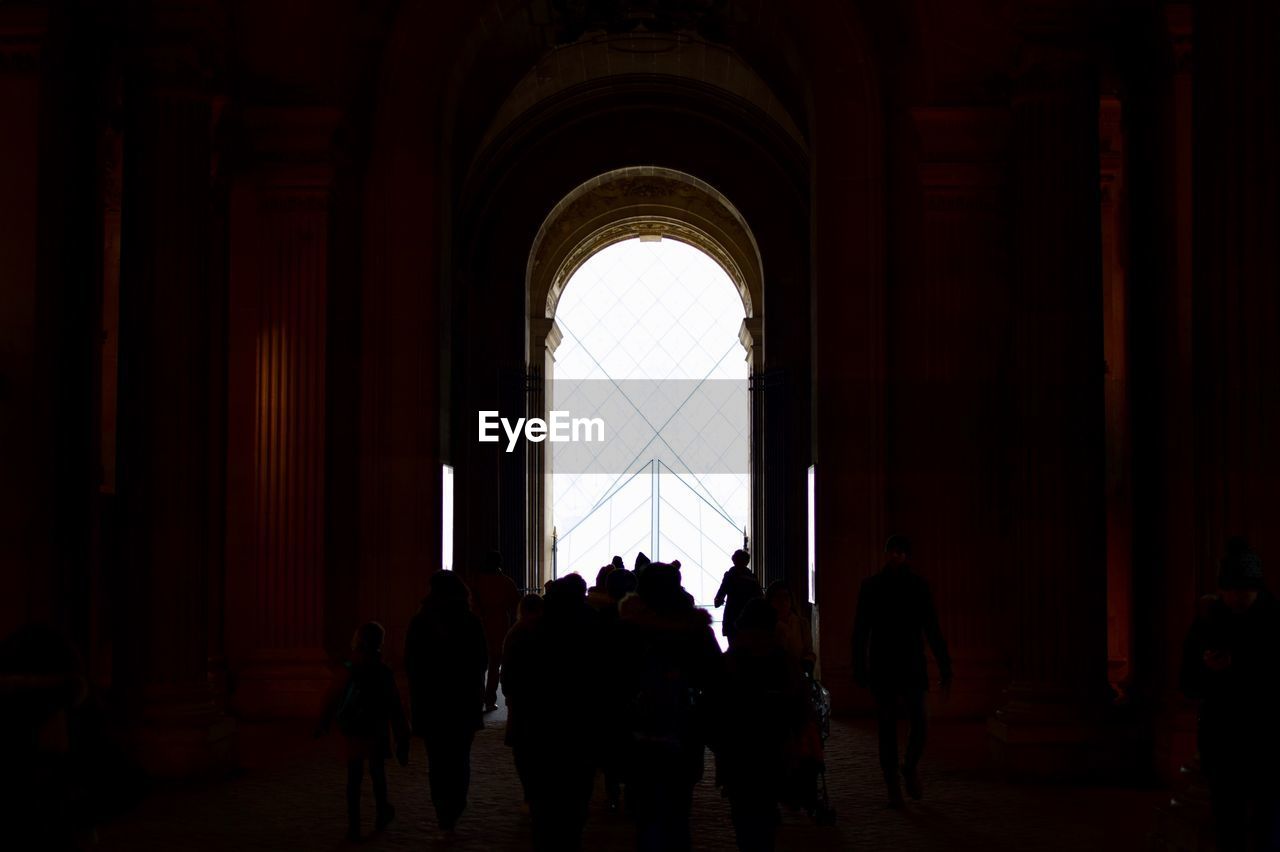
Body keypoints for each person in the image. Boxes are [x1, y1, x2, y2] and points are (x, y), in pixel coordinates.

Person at [1179, 538, 1280, 852]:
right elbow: (1188, 682)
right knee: (1228, 823)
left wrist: (1238, 665)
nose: (1236, 598)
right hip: (1223, 739)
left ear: (1257, 590)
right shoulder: (1208, 621)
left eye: (1243, 591)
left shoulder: (1274, 621)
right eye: (1230, 590)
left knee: (1267, 822)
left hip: (1267, 738)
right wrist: (1209, 671)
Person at [618, 560, 723, 852]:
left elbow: (613, 680)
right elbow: (715, 678)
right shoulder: (696, 630)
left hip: (638, 733)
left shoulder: (628, 630)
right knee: (677, 813)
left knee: (645, 814)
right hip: (684, 731)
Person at [503, 574, 603, 852]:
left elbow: (510, 680)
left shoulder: (528, 632)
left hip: (537, 728)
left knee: (543, 805)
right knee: (575, 801)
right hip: (580, 730)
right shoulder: (594, 630)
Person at [851, 535, 952, 807]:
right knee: (894, 724)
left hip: (894, 662)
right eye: (892, 551)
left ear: (905, 555)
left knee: (910, 722)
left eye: (899, 552)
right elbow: (861, 630)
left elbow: (862, 631)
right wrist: (944, 664)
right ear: (888, 554)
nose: (895, 556)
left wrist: (859, 665)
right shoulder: (909, 587)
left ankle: (901, 773)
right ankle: (898, 776)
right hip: (900, 663)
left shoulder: (877, 587)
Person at [706, 598, 808, 852]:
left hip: (737, 750)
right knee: (765, 810)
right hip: (774, 746)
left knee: (743, 814)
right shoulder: (784, 661)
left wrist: (719, 743)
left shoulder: (730, 661)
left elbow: (712, 709)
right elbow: (800, 707)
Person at [404, 570, 489, 840]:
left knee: (437, 762)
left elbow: (411, 665)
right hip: (462, 703)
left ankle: (444, 815)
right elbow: (482, 662)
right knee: (459, 760)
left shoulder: (420, 622)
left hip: (432, 704)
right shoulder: (471, 622)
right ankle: (454, 807)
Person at [317, 621, 410, 842]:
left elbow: (334, 694)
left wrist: (323, 721)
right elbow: (395, 706)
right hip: (376, 727)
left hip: (354, 727)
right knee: (378, 774)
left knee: (354, 777)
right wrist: (402, 737)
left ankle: (354, 826)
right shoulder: (383, 670)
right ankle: (381, 813)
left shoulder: (349, 666)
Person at [500, 592, 544, 811]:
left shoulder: (514, 633)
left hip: (520, 698)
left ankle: (529, 791)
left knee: (522, 749)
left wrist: (508, 692)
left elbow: (506, 667)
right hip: (542, 698)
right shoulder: (548, 633)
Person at [466, 550, 521, 712]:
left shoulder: (475, 582)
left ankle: (475, 699)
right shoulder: (506, 582)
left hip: (478, 626)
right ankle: (490, 699)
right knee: (494, 665)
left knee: (478, 665)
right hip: (499, 626)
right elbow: (516, 605)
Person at [766, 580, 816, 676]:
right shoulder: (766, 625)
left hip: (797, 677)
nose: (783, 601)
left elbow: (809, 652)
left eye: (786, 597)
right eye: (778, 597)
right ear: (770, 600)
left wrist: (807, 664)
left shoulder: (801, 624)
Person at [714, 549, 762, 641]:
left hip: (732, 614)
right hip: (748, 616)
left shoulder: (729, 576)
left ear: (734, 560)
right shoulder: (752, 578)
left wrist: (718, 600)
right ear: (747, 562)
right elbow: (759, 596)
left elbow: (721, 592)